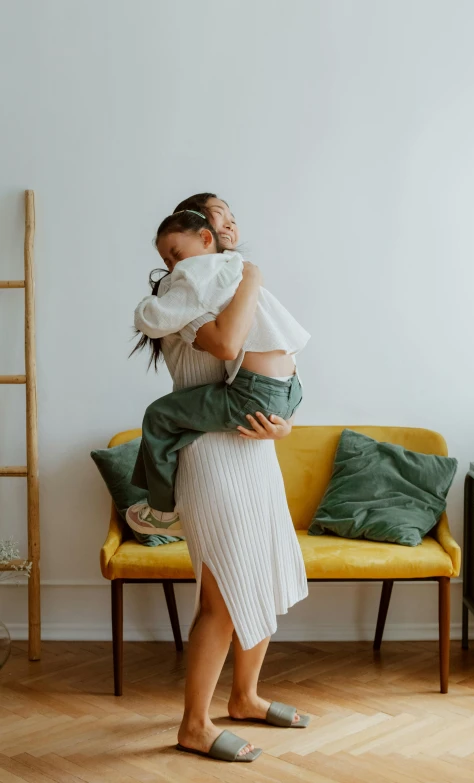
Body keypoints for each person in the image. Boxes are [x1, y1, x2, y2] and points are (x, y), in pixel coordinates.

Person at [132, 193, 309, 763]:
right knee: (222, 595)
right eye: (219, 213)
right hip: (208, 455)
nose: (231, 221)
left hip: (252, 453)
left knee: (264, 573)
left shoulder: (226, 283)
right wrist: (251, 273)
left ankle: (246, 697)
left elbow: (272, 367)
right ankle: (193, 724)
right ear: (198, 231)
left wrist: (280, 428)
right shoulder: (185, 292)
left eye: (232, 213)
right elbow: (228, 345)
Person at [127, 208, 309, 534]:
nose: (173, 268)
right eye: (168, 262)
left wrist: (143, 309)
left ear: (204, 238)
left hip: (253, 393)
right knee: (172, 420)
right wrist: (288, 422)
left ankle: (162, 512)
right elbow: (280, 346)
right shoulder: (239, 273)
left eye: (175, 256)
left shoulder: (197, 276)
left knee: (158, 416)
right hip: (289, 389)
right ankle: (159, 496)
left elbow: (157, 321)